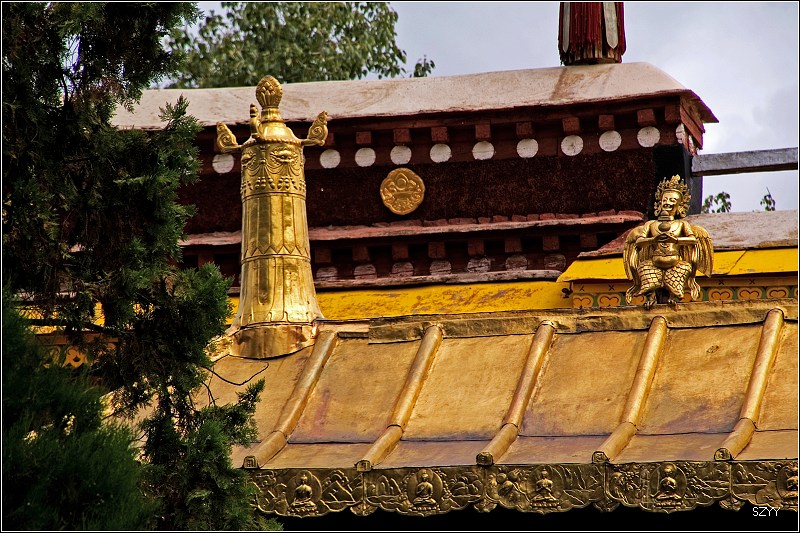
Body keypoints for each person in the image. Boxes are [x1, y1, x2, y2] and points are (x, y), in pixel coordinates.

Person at [624, 175, 713, 308]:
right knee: (644, 268)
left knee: (684, 269)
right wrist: (653, 239)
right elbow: (639, 242)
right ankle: (651, 296)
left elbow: (693, 240)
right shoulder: (651, 224)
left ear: (680, 205)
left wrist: (675, 240)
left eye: (672, 200)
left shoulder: (681, 225)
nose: (667, 203)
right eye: (665, 199)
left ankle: (673, 296)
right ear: (659, 203)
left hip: (675, 262)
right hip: (654, 262)